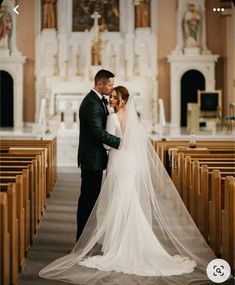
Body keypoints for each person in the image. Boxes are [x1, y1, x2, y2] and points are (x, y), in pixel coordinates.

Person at [40, 86, 218, 285]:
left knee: (119, 199)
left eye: (115, 97)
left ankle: (117, 245)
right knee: (128, 197)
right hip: (130, 161)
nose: (111, 99)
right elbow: (131, 141)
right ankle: (131, 241)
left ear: (123, 101)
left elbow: (107, 145)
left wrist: (103, 143)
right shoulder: (132, 119)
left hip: (118, 160)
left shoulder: (112, 118)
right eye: (111, 96)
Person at [76, 69, 120, 241]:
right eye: (110, 84)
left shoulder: (99, 101)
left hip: (96, 158)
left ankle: (86, 239)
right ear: (99, 84)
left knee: (91, 200)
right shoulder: (91, 103)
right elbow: (98, 133)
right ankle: (81, 242)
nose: (112, 87)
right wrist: (122, 143)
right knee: (88, 201)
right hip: (91, 159)